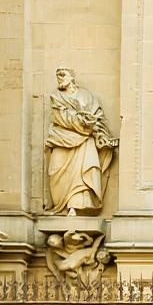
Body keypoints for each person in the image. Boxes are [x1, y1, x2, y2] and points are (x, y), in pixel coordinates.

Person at [46, 67, 118, 215]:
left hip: (85, 141)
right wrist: (82, 123)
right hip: (62, 138)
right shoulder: (56, 97)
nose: (59, 77)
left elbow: (98, 117)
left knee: (83, 172)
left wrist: (97, 131)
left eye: (62, 74)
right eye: (57, 75)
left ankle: (76, 206)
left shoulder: (87, 96)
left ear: (72, 77)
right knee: (56, 170)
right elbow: (59, 117)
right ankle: (61, 205)